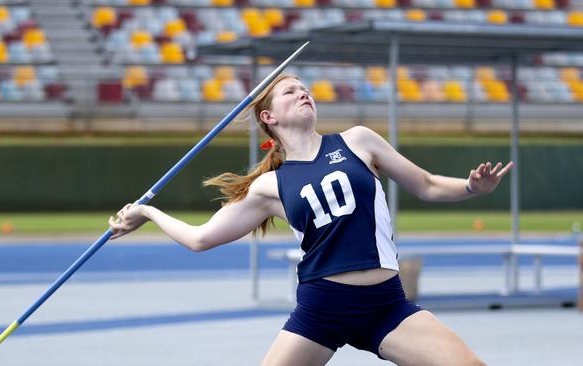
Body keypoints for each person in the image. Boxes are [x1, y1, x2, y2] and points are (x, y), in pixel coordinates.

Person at [109, 74, 512, 366]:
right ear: (269, 117)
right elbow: (200, 239)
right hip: (323, 307)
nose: (304, 93)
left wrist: (473, 188)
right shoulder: (270, 186)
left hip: (384, 303)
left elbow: (425, 184)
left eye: (306, 89)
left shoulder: (358, 140)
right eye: (291, 91)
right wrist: (148, 212)